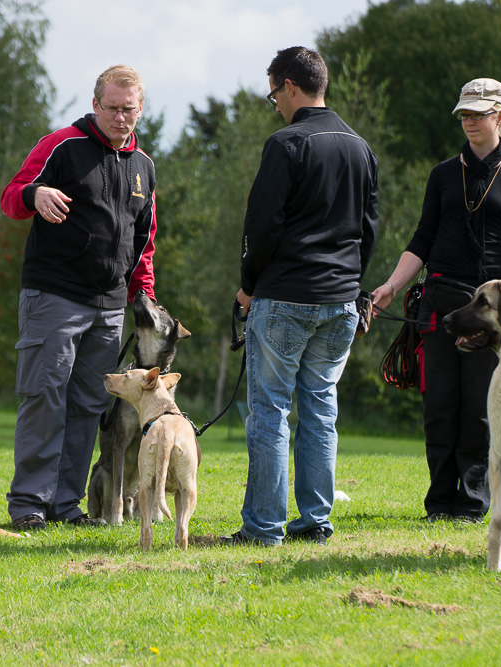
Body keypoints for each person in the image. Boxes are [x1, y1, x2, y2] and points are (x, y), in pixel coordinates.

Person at [221, 46, 378, 546]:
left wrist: (248, 284)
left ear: (290, 86)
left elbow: (262, 227)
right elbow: (369, 229)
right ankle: (314, 521)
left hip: (286, 295)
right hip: (340, 301)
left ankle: (264, 527)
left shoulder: (285, 144)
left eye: (274, 95)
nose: (276, 106)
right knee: (320, 410)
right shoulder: (360, 147)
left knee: (269, 411)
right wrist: (353, 285)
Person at [371, 78, 501, 523]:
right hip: (441, 303)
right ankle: (439, 502)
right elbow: (422, 238)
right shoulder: (443, 174)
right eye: (464, 114)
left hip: (491, 311)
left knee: (482, 411)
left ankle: (471, 503)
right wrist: (390, 285)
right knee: (439, 408)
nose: (469, 122)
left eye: (478, 114)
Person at [0, 65, 157, 531]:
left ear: (140, 109)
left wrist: (143, 298)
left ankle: (66, 506)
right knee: (44, 397)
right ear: (95, 105)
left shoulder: (144, 166)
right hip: (54, 296)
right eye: (112, 108)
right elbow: (11, 197)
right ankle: (29, 504)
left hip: (108, 307)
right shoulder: (61, 144)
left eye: (129, 110)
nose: (120, 118)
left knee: (89, 405)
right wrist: (37, 193)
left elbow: (143, 240)